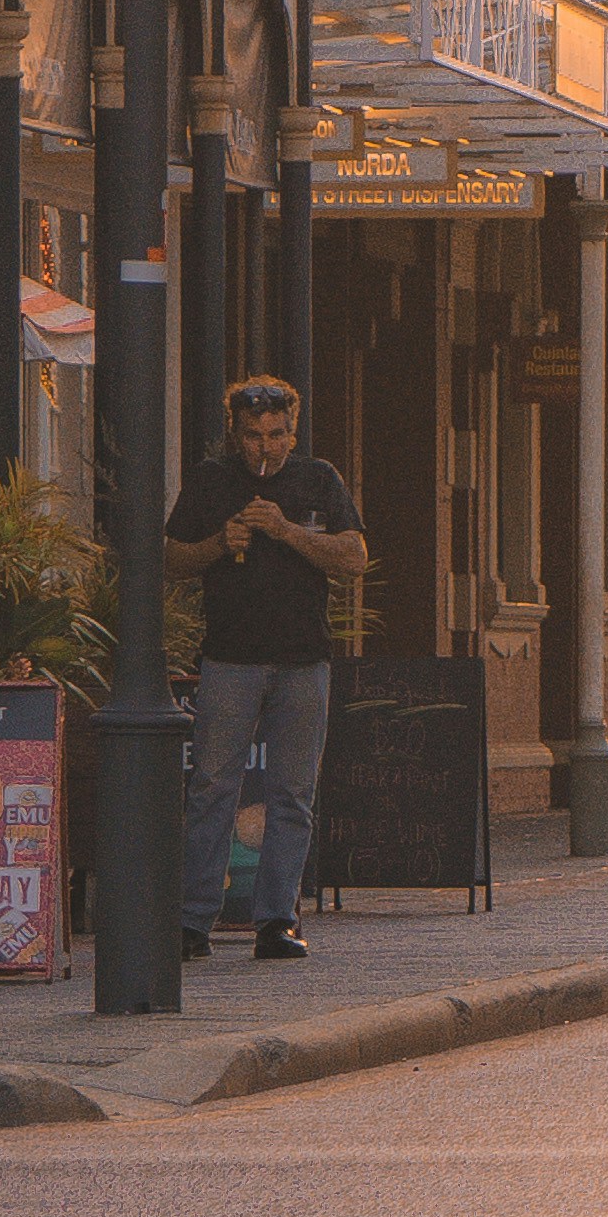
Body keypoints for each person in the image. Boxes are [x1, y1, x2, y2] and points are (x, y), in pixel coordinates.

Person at [162, 375, 366, 961]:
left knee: (292, 794)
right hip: (229, 660)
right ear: (236, 434)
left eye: (277, 435)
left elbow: (353, 557)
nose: (266, 448)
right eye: (254, 436)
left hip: (304, 661)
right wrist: (218, 545)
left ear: (292, 432)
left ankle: (277, 920)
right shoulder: (210, 482)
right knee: (211, 788)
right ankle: (192, 921)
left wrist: (285, 530)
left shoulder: (318, 479)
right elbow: (174, 559)